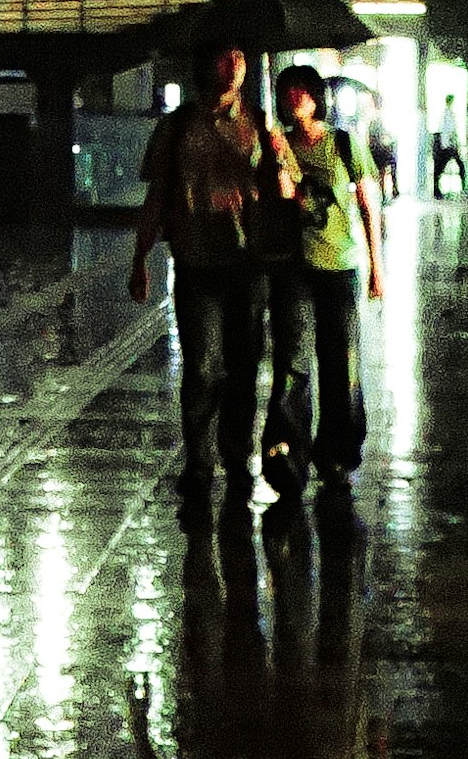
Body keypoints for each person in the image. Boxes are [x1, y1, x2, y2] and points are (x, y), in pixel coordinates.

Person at [130, 38, 289, 521]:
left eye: (241, 56)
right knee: (202, 368)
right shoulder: (177, 127)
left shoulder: (261, 123)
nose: (235, 65)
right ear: (206, 64)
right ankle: (199, 462)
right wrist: (139, 257)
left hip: (249, 262)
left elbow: (288, 185)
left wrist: (278, 177)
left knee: (243, 368)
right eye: (226, 55)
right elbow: (157, 195)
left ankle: (236, 458)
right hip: (197, 263)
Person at [258, 64, 386, 494]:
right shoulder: (278, 145)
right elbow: (277, 200)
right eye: (288, 93)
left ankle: (339, 452)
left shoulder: (345, 143)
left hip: (340, 266)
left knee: (342, 363)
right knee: (293, 363)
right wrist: (278, 167)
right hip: (293, 265)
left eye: (302, 92)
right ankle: (288, 455)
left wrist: (376, 269)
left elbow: (370, 206)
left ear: (316, 97)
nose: (295, 100)